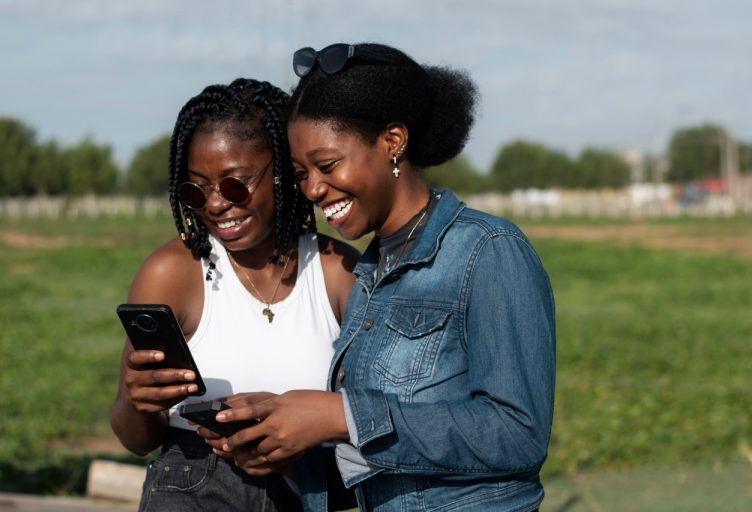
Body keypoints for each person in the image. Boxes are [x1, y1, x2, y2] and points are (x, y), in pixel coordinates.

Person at [215, 43, 557, 512]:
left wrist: (342, 416)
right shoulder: (371, 272)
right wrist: (286, 453)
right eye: (300, 173)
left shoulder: (487, 250)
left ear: (393, 142)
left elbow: (519, 435)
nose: (313, 189)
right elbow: (385, 468)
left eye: (328, 165)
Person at [109, 78, 359, 512]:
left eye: (234, 184)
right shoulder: (171, 273)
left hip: (305, 488)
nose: (215, 204)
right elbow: (135, 440)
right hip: (190, 486)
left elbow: (369, 419)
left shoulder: (339, 271)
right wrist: (139, 403)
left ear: (282, 172)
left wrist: (298, 451)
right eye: (196, 189)